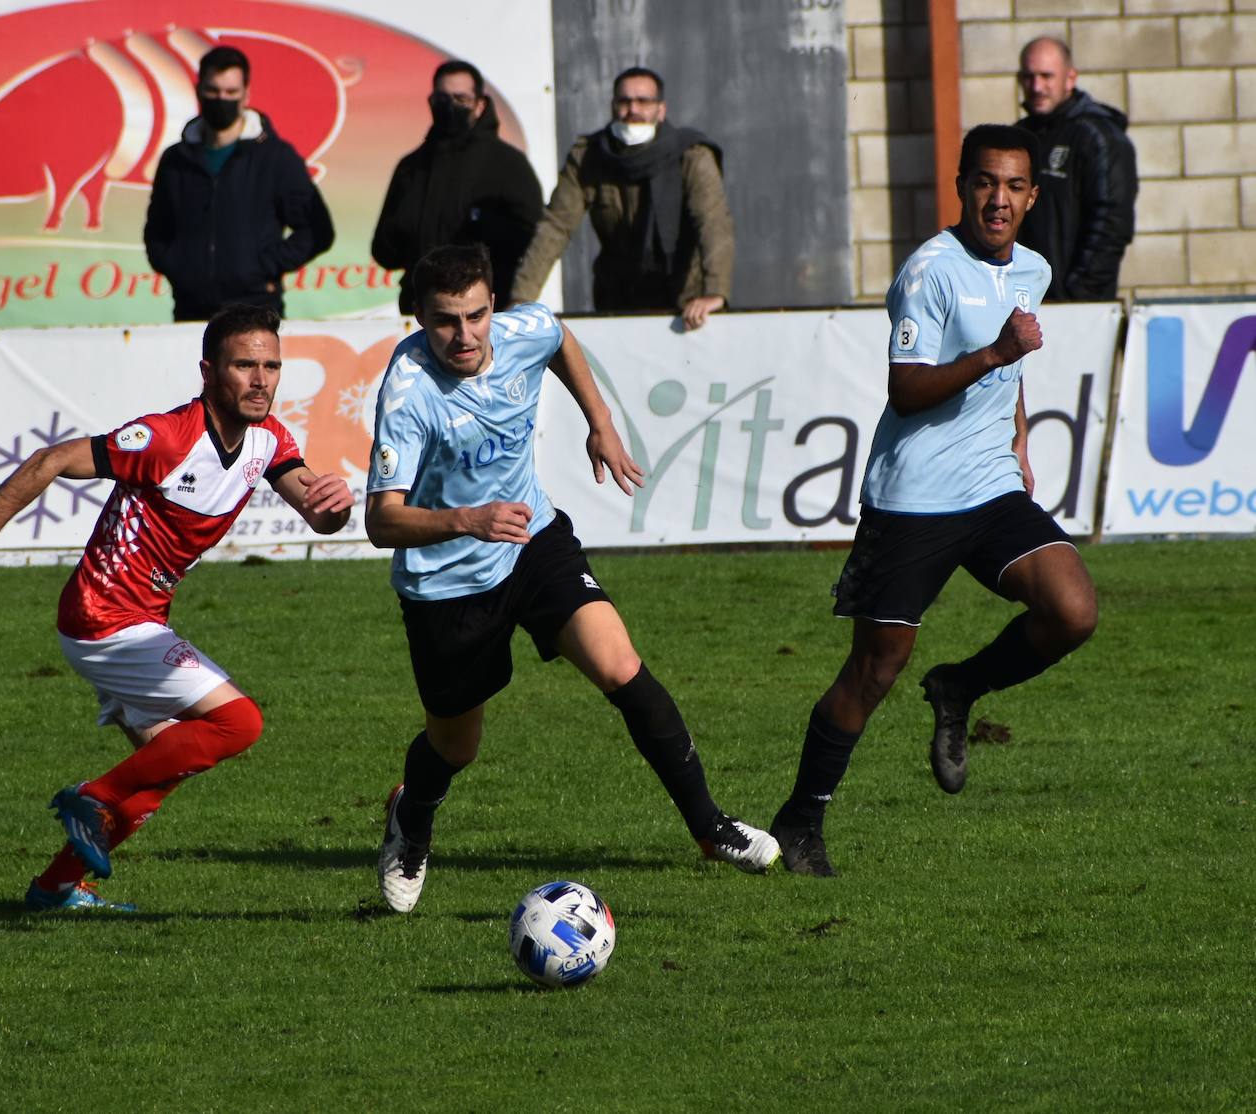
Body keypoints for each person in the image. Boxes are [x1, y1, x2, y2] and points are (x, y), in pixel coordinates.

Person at [365, 244, 777, 913]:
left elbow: (560, 337)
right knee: (455, 745)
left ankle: (711, 828)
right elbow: (382, 521)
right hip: (448, 582)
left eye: (475, 316)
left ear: (493, 304)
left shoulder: (522, 329)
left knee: (621, 668)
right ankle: (411, 819)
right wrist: (468, 518)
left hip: (532, 538)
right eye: (445, 322)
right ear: (418, 317)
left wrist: (601, 423)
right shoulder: (409, 393)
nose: (464, 335)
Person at [0, 305, 355, 911]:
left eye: (272, 365)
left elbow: (320, 516)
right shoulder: (166, 437)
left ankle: (55, 888)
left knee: (164, 767)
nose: (261, 379)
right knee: (239, 723)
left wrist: (339, 503)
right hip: (105, 621)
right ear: (208, 371)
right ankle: (89, 797)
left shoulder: (268, 441)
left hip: (140, 623)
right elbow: (54, 459)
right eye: (244, 364)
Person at [768, 125, 1098, 877]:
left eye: (1015, 186)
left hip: (989, 489)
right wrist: (996, 355)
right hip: (913, 500)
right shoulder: (931, 272)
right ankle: (802, 819)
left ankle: (959, 687)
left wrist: (1017, 441)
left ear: (1032, 196)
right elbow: (906, 390)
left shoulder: (1034, 269)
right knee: (875, 671)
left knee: (1073, 610)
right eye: (985, 183)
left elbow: (1008, 373)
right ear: (962, 187)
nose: (999, 199)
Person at [509, 66, 733, 330]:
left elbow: (712, 223)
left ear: (661, 110)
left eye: (643, 101)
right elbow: (555, 226)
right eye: (624, 101)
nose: (633, 110)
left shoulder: (692, 155)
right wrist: (520, 299)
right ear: (613, 106)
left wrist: (714, 293)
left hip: (685, 300)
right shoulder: (589, 156)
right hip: (617, 298)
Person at [145, 46, 335, 321]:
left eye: (231, 93)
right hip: (191, 310)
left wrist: (263, 267)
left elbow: (317, 230)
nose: (221, 99)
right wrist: (179, 269)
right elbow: (157, 231)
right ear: (199, 91)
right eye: (213, 91)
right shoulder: (175, 160)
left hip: (256, 308)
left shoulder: (275, 156)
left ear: (246, 95)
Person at [371, 60, 543, 316]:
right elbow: (384, 250)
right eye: (442, 98)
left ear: (479, 104)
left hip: (485, 312)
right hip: (421, 311)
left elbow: (534, 238)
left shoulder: (507, 164)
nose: (450, 106)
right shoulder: (412, 167)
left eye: (460, 98)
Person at [1015, 37, 1137, 301]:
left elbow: (1112, 224)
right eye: (1028, 77)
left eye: (1046, 76)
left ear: (1070, 78)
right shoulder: (1019, 137)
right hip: (1023, 303)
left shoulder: (1099, 138)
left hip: (1077, 308)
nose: (1036, 86)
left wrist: (1079, 295)